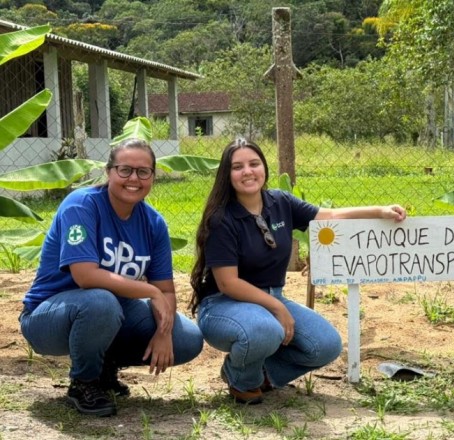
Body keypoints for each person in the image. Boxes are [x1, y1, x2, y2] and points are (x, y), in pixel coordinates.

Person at [189, 138, 407, 405]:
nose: (248, 171)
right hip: (225, 305)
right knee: (266, 329)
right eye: (238, 167)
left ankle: (263, 373)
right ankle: (241, 379)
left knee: (326, 345)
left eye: (254, 164)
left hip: (270, 298)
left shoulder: (279, 202)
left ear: (264, 168)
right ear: (227, 174)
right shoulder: (222, 219)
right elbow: (228, 283)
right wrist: (278, 307)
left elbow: (328, 216)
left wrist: (379, 211)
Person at [20, 139, 204, 417]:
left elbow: (165, 288)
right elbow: (85, 276)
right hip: (49, 318)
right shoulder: (81, 205)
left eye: (143, 172)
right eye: (125, 170)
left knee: (186, 338)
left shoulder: (154, 223)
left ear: (153, 177)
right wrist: (151, 293)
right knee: (101, 302)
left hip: (108, 311)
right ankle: (84, 381)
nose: (134, 178)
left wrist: (163, 332)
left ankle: (104, 364)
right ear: (109, 172)